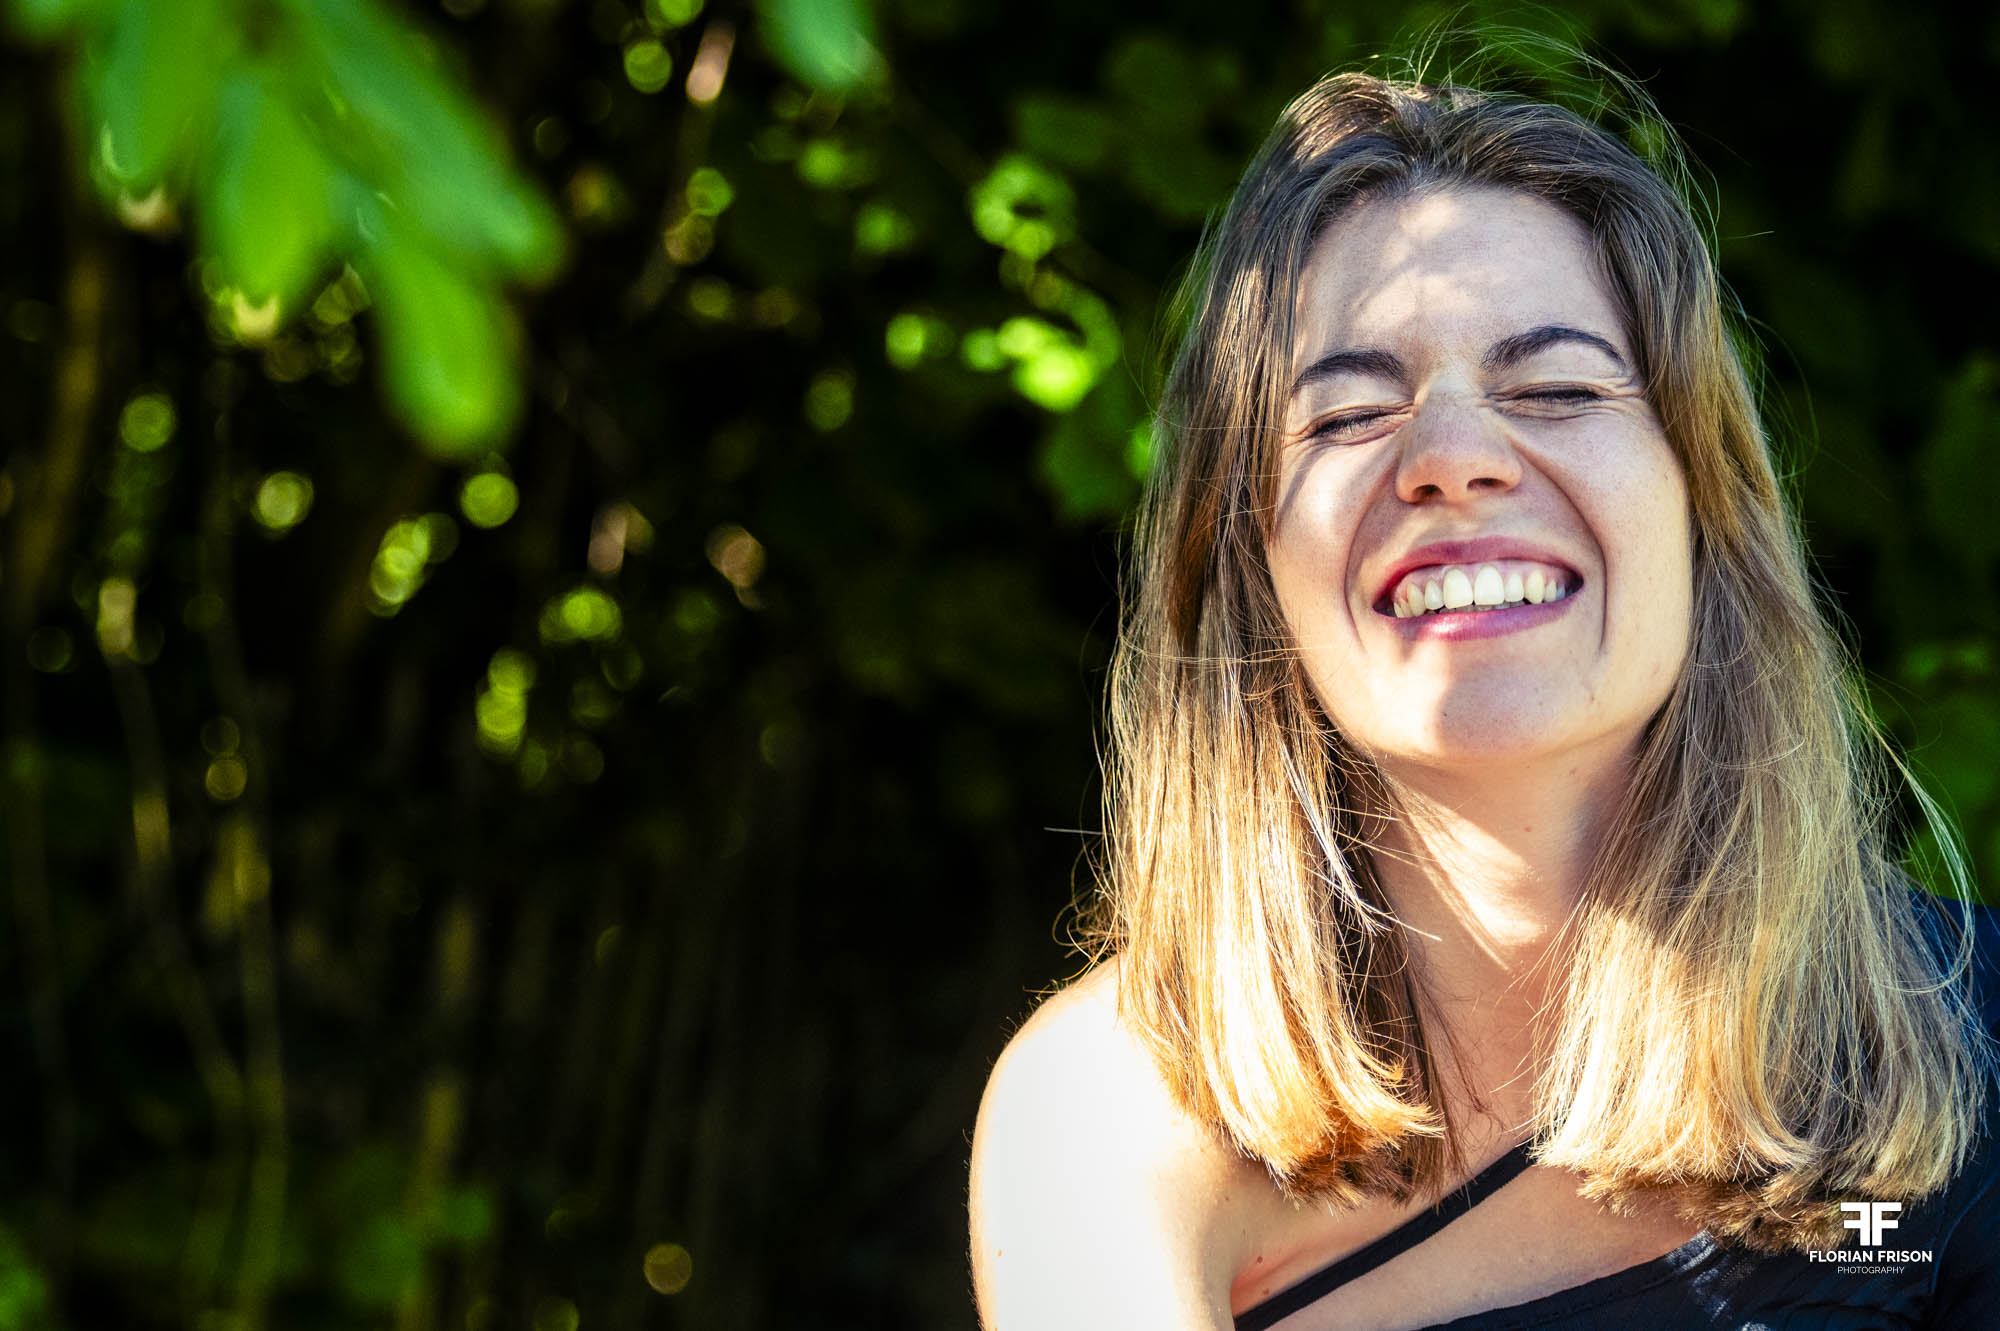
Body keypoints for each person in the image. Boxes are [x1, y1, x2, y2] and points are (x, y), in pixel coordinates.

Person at [967, 61, 2000, 1330]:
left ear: (1705, 509)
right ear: (1248, 562)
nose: (1450, 459)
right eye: (1346, 412)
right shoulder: (1119, 1112)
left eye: (1557, 388)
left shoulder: (1960, 1044)